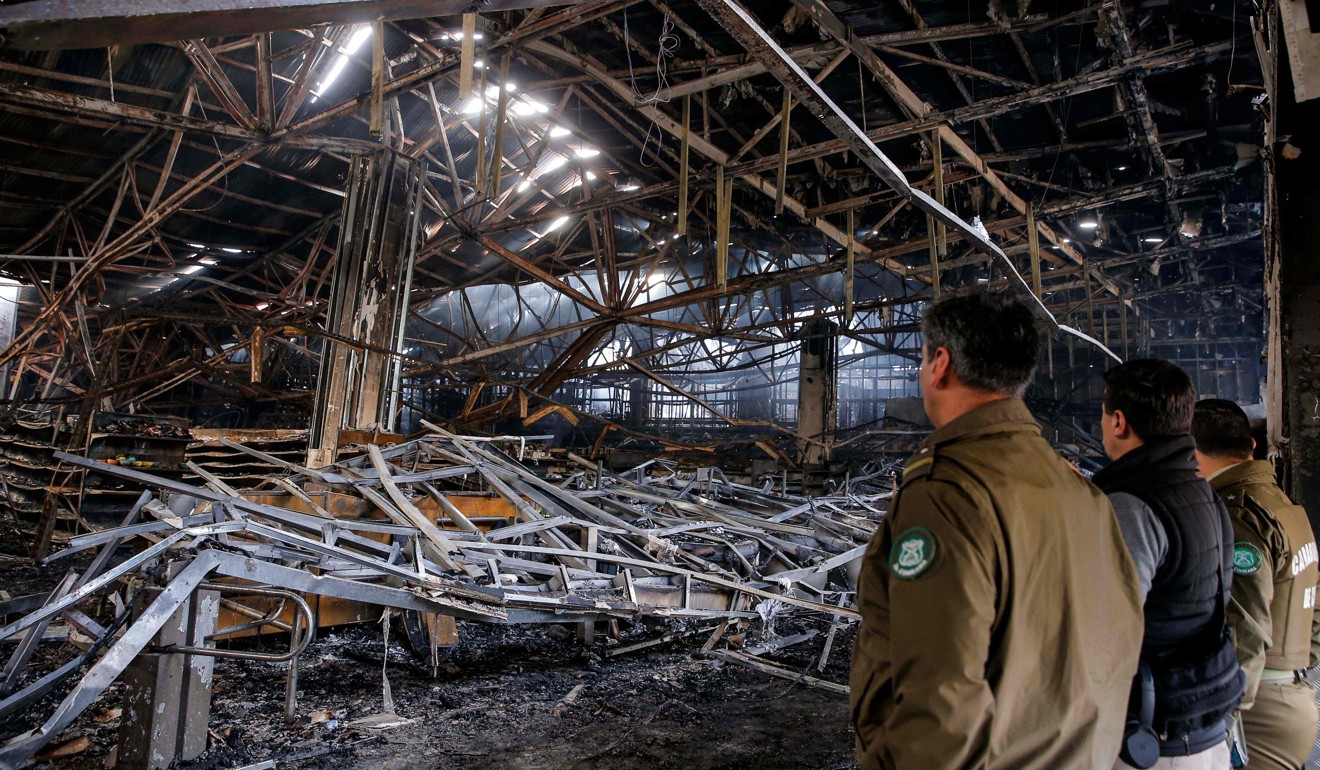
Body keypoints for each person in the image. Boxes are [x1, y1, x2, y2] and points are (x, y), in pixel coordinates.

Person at [850, 290, 1143, 769]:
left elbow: (942, 703)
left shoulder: (949, 490)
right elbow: (1120, 642)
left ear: (940, 363)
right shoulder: (1080, 492)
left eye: (923, 360)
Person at [1091, 361, 1244, 769]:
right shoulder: (1202, 492)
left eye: (1104, 414)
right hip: (1203, 724)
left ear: (1119, 421)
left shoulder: (1130, 505)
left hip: (1151, 739)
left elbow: (1103, 634)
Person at [1193, 398, 1319, 770]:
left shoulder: (1239, 514)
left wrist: (1225, 718)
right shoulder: (1284, 508)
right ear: (1251, 445)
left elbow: (1243, 626)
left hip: (1256, 709)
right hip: (1290, 695)